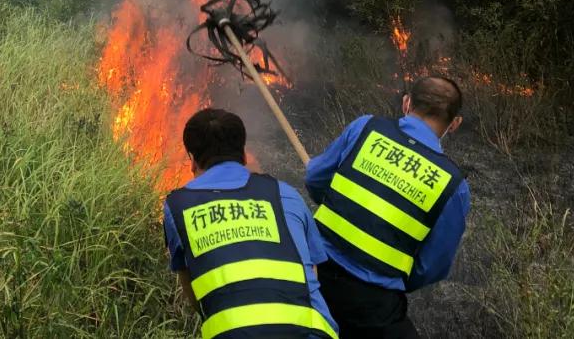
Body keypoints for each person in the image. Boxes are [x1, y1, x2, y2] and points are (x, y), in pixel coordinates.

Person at [305, 76, 470, 339]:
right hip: (374, 306)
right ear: (455, 123)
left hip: (313, 276)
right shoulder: (453, 185)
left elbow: (315, 178)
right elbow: (432, 266)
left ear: (406, 103)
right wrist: (393, 277)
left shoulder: (365, 127)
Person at [163, 107, 339, 339]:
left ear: (192, 160)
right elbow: (311, 273)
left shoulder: (177, 207)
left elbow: (192, 290)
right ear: (244, 155)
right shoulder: (286, 194)